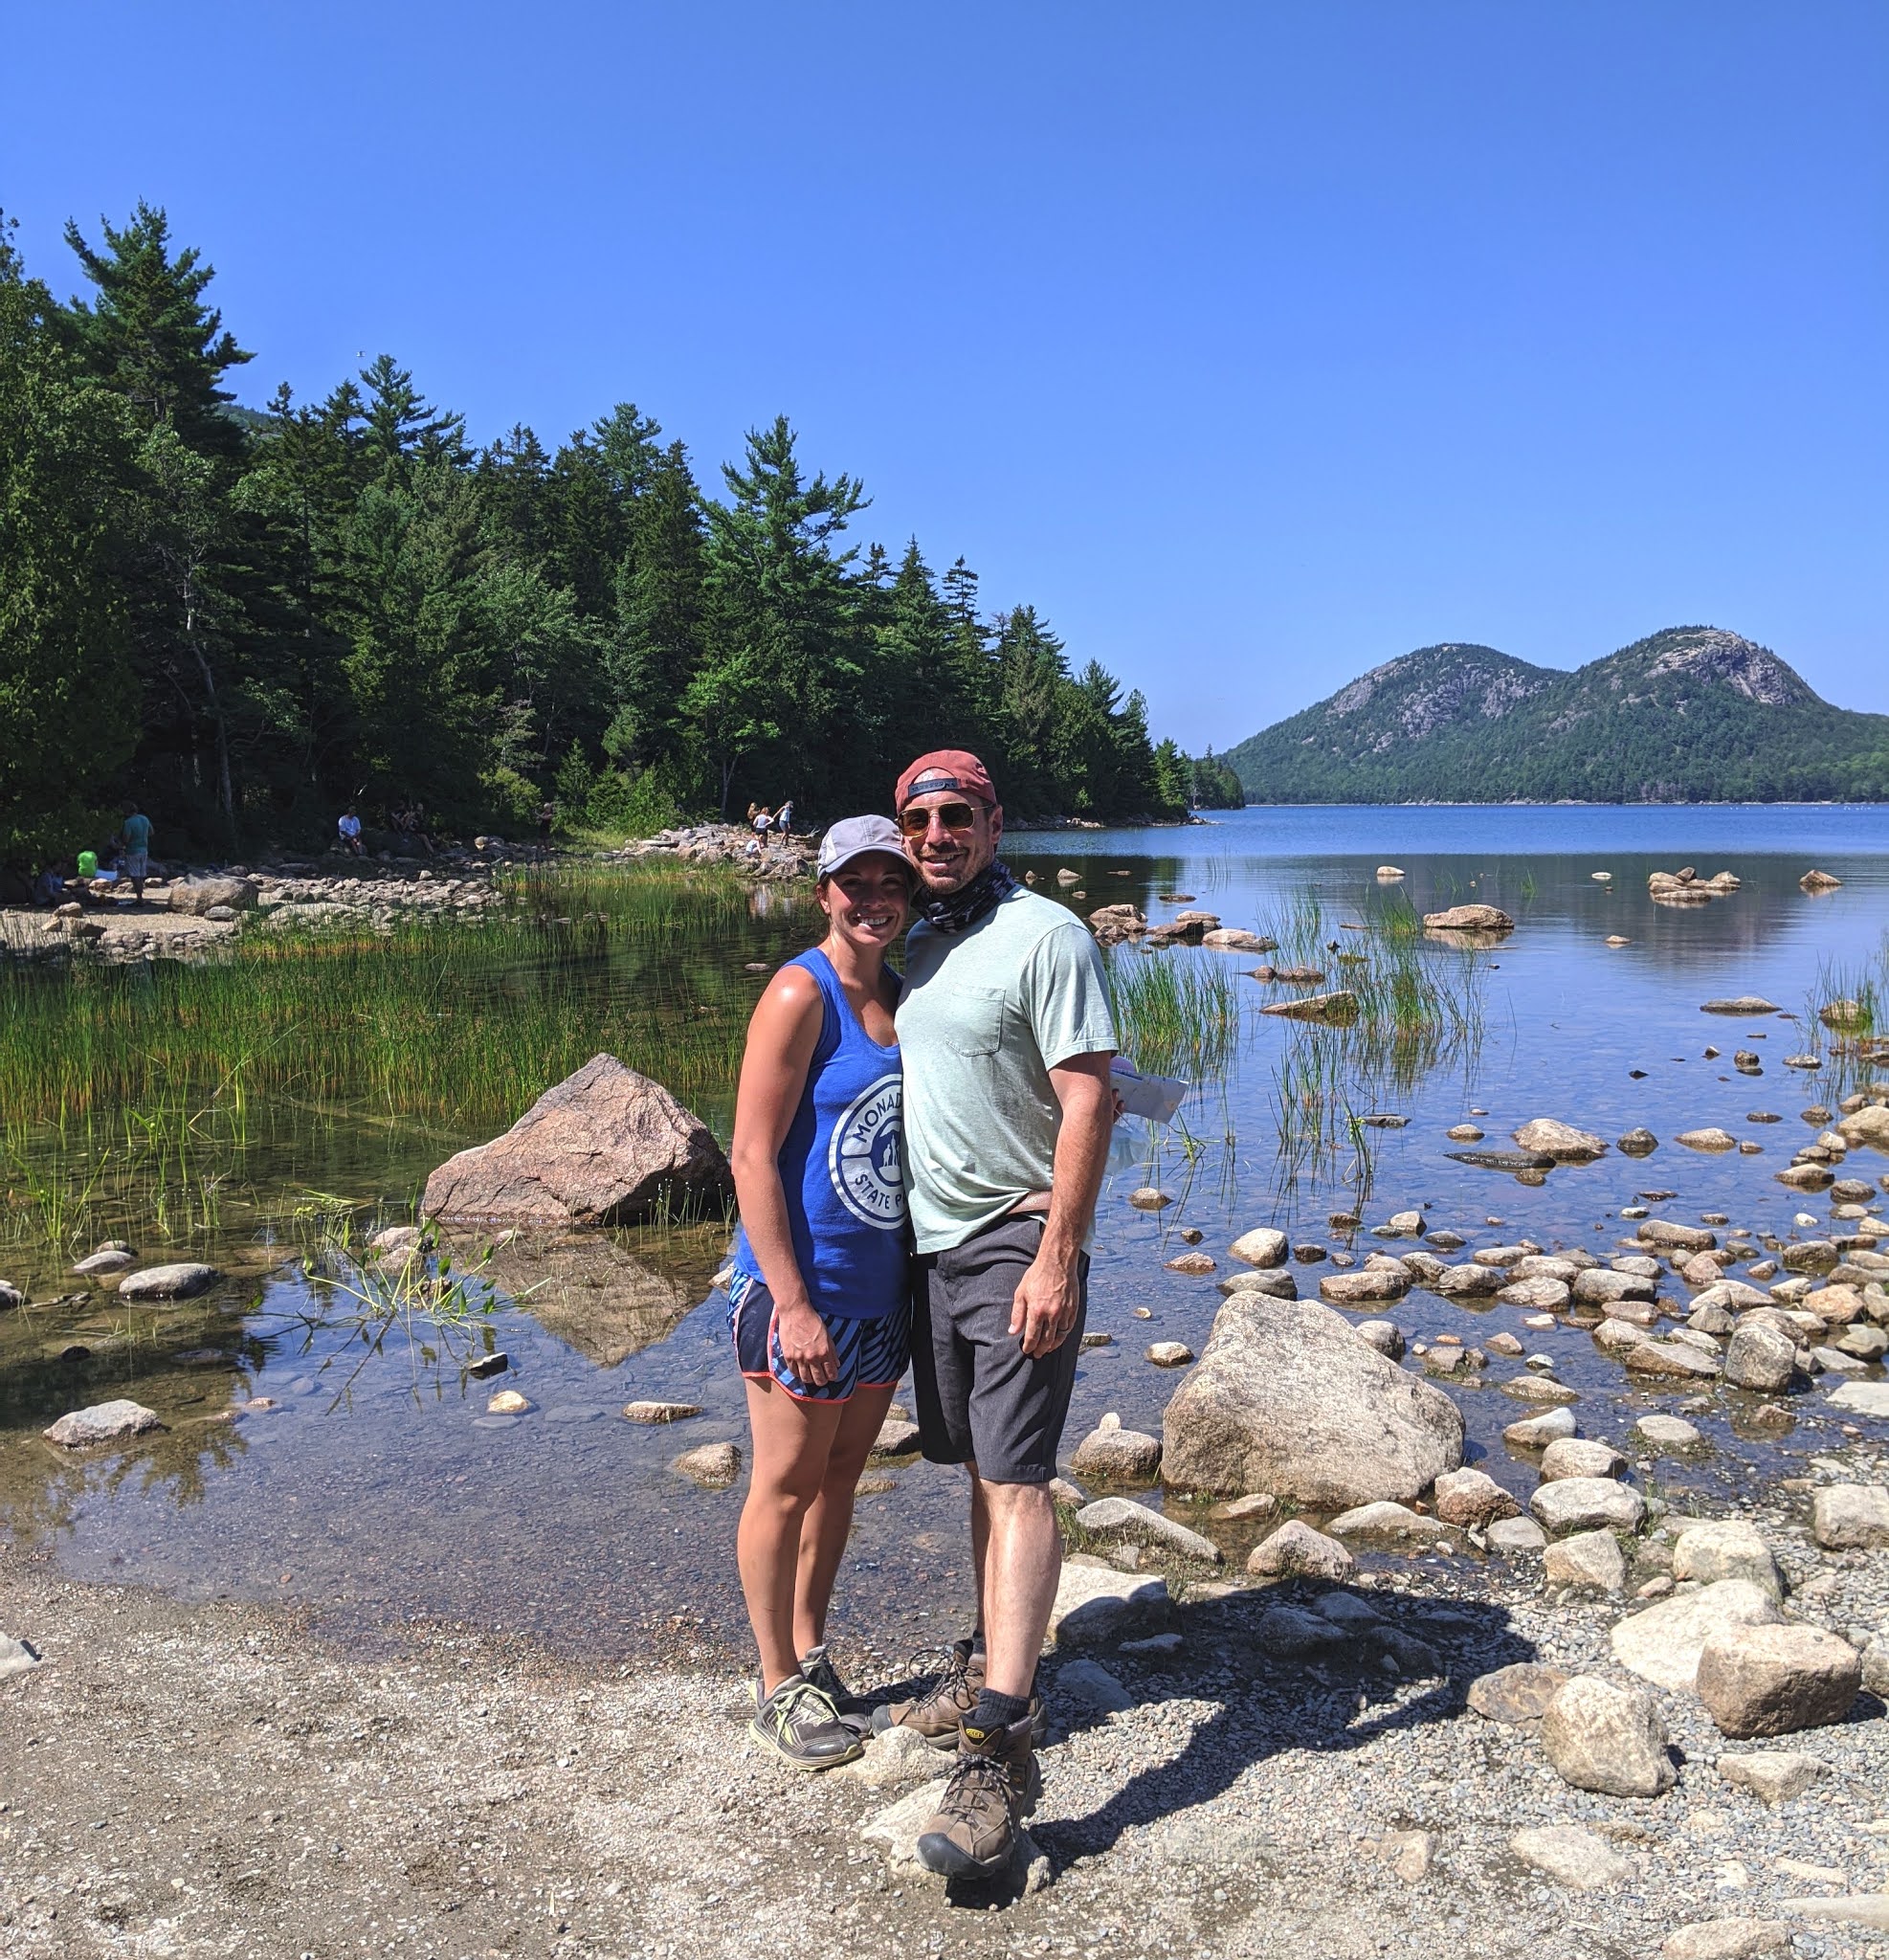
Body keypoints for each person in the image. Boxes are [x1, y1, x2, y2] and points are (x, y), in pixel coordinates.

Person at [876, 749, 1117, 1879]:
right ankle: (985, 1662)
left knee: (1017, 1479)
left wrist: (1058, 1252)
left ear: (993, 821)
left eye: (954, 814)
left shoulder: (1047, 935)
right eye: (917, 816)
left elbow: (1090, 1095)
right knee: (978, 1469)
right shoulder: (924, 938)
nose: (934, 832)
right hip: (935, 1248)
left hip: (1018, 1240)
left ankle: (1001, 1750)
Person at [726, 814, 916, 1770]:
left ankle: (810, 1652)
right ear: (823, 893)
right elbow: (752, 1153)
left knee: (841, 1479)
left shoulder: (903, 992)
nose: (874, 896)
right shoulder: (803, 990)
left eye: (892, 880)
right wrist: (791, 1302)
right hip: (800, 1290)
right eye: (856, 882)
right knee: (786, 1480)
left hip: (880, 1294)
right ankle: (773, 1683)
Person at [116, 804, 153, 902]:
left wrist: (120, 844)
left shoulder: (128, 822)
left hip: (132, 851)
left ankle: (139, 899)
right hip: (144, 850)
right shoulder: (145, 819)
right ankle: (141, 898)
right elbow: (151, 832)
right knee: (141, 875)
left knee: (135, 875)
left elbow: (126, 839)